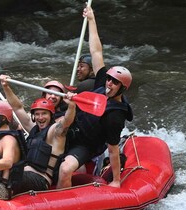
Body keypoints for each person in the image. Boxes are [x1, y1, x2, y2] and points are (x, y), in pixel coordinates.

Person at [57, 5, 133, 189]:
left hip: (86, 144)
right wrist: (91, 20)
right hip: (69, 129)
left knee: (66, 169)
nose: (109, 84)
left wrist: (116, 181)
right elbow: (96, 52)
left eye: (115, 83)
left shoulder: (115, 115)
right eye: (109, 80)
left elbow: (113, 149)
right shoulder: (101, 83)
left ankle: (60, 202)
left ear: (122, 88)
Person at [0, 75, 77, 192]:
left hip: (40, 180)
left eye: (44, 114)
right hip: (24, 174)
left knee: (8, 175)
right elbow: (18, 107)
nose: (40, 117)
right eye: (37, 114)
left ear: (51, 115)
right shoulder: (33, 129)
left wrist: (71, 106)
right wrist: (5, 86)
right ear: (33, 116)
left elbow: (66, 121)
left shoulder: (54, 132)